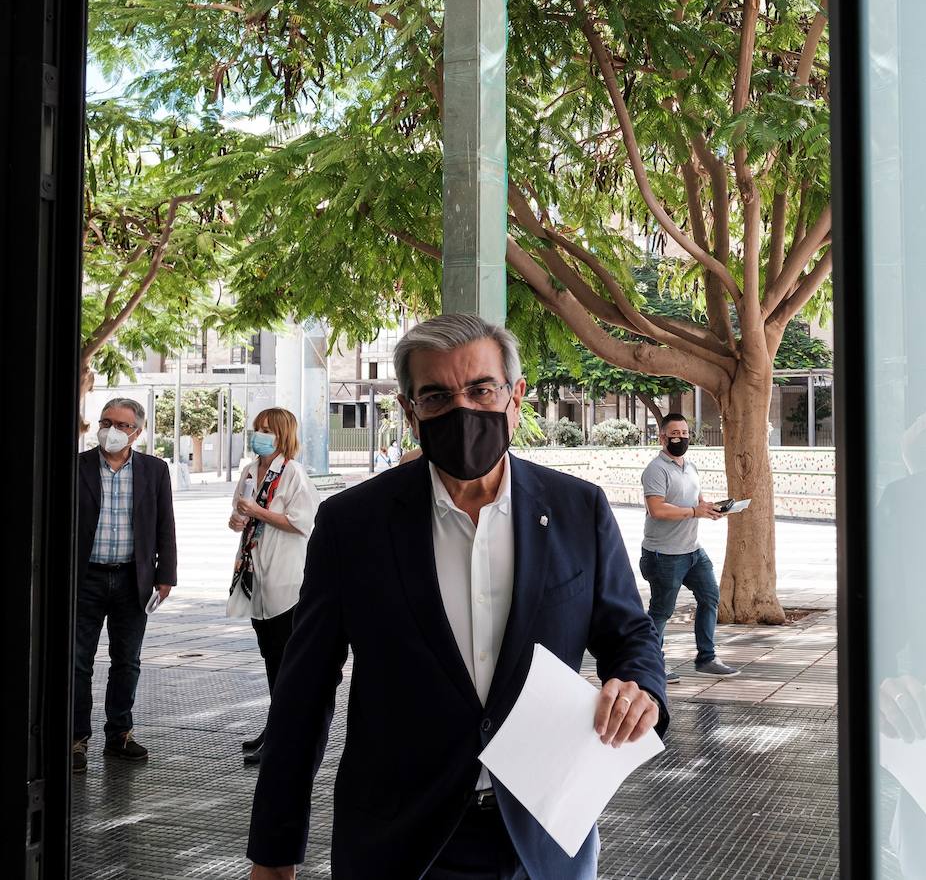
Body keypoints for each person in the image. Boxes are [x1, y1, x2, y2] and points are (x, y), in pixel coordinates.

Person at [246, 314, 667, 880]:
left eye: (481, 389)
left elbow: (629, 634)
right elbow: (304, 691)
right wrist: (274, 852)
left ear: (516, 398)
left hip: (544, 841)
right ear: (409, 411)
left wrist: (641, 690)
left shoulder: (578, 509)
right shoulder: (353, 525)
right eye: (437, 396)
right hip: (401, 842)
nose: (462, 409)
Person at [72, 398, 177, 773]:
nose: (111, 430)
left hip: (134, 578)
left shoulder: (154, 470)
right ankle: (75, 739)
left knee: (126, 662)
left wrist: (166, 576)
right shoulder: (77, 466)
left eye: (121, 424)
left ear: (138, 432)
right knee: (77, 662)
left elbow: (164, 524)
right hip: (84, 578)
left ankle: (119, 735)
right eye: (106, 421)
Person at [228, 408, 321, 765]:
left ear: (282, 435)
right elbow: (240, 519)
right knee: (270, 659)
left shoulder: (293, 473)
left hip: (286, 579)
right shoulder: (251, 471)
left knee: (285, 662)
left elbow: (302, 522)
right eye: (257, 429)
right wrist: (239, 517)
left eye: (267, 430)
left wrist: (256, 511)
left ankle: (284, 738)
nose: (259, 435)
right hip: (256, 576)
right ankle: (274, 727)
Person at [639, 413, 739, 683]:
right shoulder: (655, 470)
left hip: (693, 551)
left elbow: (697, 501)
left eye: (684, 433)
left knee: (710, 597)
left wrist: (711, 509)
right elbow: (657, 509)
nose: (680, 438)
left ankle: (706, 658)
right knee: (661, 612)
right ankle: (651, 664)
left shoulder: (691, 467)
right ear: (662, 437)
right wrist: (695, 511)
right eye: (674, 434)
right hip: (664, 555)